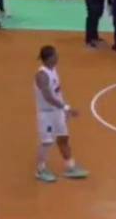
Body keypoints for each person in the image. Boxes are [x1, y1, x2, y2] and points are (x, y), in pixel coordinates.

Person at [34, 45, 88, 182]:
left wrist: (63, 110)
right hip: (47, 114)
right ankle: (40, 170)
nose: (58, 57)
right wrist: (65, 108)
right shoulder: (42, 76)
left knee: (63, 138)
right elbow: (48, 97)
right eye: (55, 55)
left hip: (57, 112)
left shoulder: (53, 70)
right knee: (47, 142)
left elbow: (57, 92)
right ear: (49, 58)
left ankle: (70, 167)